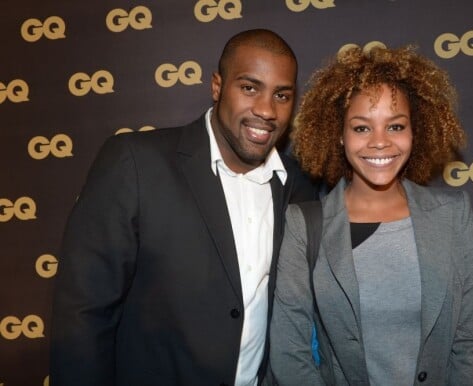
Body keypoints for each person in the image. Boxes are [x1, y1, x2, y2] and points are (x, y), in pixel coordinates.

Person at [49, 29, 317, 386]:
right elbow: (82, 315)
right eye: (249, 88)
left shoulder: (298, 185)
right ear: (218, 86)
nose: (266, 110)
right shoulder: (136, 163)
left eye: (281, 95)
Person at [269, 44, 473, 385]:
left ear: (413, 131)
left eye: (395, 126)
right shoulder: (305, 226)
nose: (379, 142)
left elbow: (472, 340)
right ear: (339, 136)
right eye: (361, 128)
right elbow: (290, 352)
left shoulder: (454, 216)